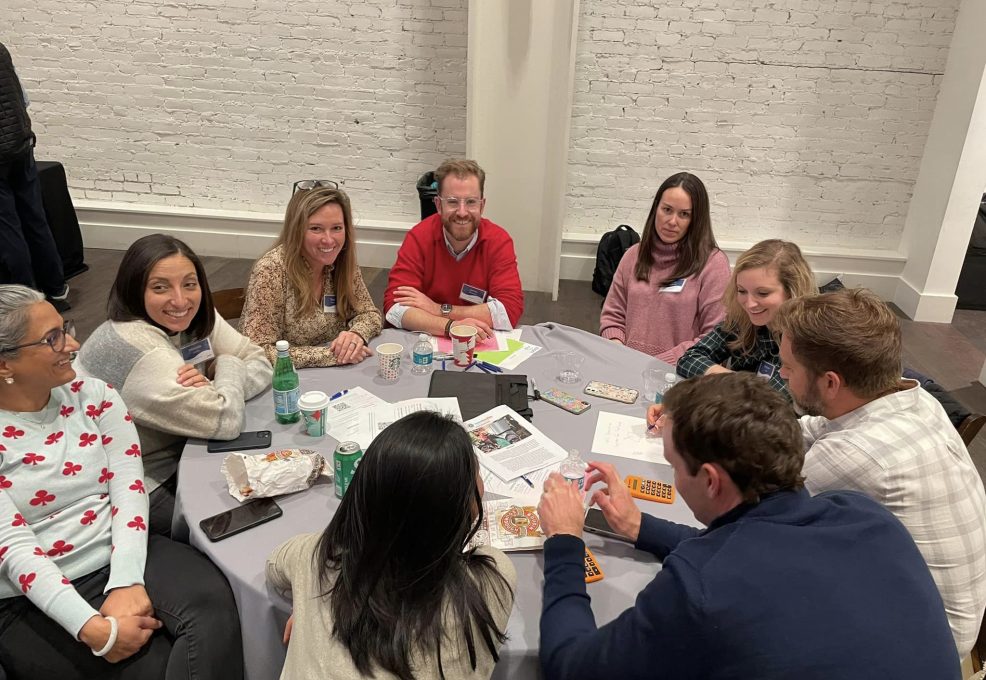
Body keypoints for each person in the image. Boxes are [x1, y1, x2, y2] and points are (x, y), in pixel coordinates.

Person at [536, 372, 961, 679]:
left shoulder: (697, 590)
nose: (674, 478)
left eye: (673, 467)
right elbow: (749, 549)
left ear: (710, 479)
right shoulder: (864, 514)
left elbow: (569, 665)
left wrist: (564, 541)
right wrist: (640, 526)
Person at [0, 285, 243, 679]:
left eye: (65, 328)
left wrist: (126, 579)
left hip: (117, 547)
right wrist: (91, 628)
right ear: (4, 365)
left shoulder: (94, 395)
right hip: (29, 590)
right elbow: (14, 549)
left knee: (215, 604)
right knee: (155, 666)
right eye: (52, 338)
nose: (73, 343)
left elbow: (129, 489)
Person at [774, 288, 986, 657]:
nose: (781, 374)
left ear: (830, 383)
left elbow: (760, 518)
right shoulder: (914, 399)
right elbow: (813, 430)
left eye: (789, 368)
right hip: (942, 612)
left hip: (922, 648)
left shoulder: (858, 454)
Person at [267, 411, 515, 680]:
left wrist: (308, 604)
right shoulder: (490, 581)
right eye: (476, 474)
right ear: (456, 509)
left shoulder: (313, 556)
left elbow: (275, 564)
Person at [75, 234, 272, 535]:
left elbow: (260, 360)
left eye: (189, 284)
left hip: (187, 444)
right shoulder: (140, 350)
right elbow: (226, 420)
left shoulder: (193, 314)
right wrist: (228, 366)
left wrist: (216, 386)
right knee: (253, 526)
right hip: (136, 483)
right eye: (160, 287)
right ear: (134, 289)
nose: (180, 300)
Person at [241, 182, 382, 368]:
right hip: (286, 382)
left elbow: (370, 314)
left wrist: (356, 335)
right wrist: (330, 355)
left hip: (335, 374)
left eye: (337, 228)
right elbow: (257, 352)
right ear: (296, 230)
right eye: (316, 228)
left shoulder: (342, 260)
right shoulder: (271, 270)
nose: (329, 240)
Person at [383, 159, 523, 340]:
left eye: (471, 202)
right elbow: (395, 308)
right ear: (438, 205)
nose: (462, 212)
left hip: (478, 341)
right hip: (426, 343)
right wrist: (451, 326)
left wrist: (438, 309)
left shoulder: (498, 241)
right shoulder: (419, 237)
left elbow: (508, 310)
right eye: (453, 202)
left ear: (482, 205)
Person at [599, 172, 730, 363]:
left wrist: (660, 363)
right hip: (626, 367)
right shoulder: (633, 255)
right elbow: (613, 316)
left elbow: (714, 336)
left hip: (680, 375)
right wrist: (620, 353)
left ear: (696, 220)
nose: (672, 221)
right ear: (656, 209)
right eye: (667, 210)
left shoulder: (713, 264)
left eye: (684, 214)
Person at [675, 238, 815, 395]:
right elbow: (689, 359)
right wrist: (739, 383)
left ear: (792, 292)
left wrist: (726, 380)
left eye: (762, 293)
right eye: (742, 291)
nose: (749, 304)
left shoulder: (805, 341)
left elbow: (775, 402)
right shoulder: (741, 319)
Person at [0, 42, 69, 310]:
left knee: (7, 230)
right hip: (21, 145)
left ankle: (28, 302)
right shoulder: (1, 49)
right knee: (35, 218)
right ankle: (56, 288)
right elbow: (23, 98)